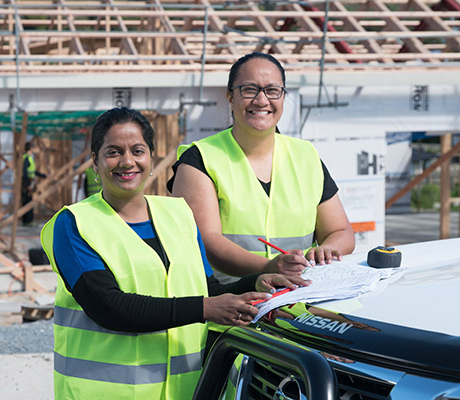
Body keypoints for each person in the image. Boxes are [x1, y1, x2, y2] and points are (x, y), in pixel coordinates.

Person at [40, 107, 309, 400]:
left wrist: (255, 282)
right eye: (113, 152)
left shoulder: (178, 213)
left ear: (151, 158)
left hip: (184, 392)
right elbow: (108, 307)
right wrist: (206, 308)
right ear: (95, 161)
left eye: (138, 151)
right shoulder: (74, 224)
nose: (127, 161)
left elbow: (208, 289)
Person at [168, 52, 355, 283]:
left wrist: (327, 249)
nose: (262, 100)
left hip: (296, 297)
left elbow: (341, 232)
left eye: (272, 90)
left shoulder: (306, 155)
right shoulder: (200, 159)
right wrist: (268, 267)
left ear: (283, 97)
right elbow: (207, 243)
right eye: (249, 89)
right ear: (230, 97)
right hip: (229, 304)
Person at [21, 141, 46, 225]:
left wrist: (43, 175)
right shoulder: (26, 158)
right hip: (26, 182)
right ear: (31, 148)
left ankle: (28, 220)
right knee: (27, 202)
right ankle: (27, 221)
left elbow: (32, 171)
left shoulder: (29, 157)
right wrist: (28, 185)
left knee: (28, 200)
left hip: (29, 182)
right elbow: (24, 172)